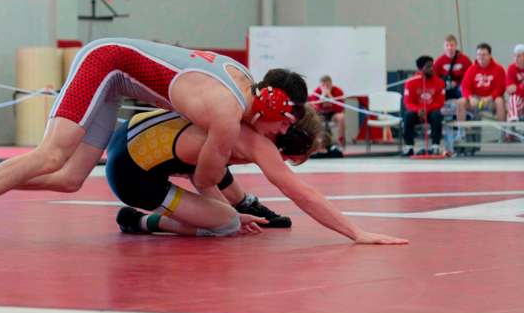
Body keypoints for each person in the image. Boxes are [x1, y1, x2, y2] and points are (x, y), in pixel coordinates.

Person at [0, 40, 306, 248]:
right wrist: (234, 212)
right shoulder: (229, 107)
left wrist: (234, 211)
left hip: (115, 78)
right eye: (281, 125)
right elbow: (206, 179)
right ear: (273, 106)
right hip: (106, 64)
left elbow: (210, 174)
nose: (276, 134)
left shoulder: (239, 84)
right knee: (53, 154)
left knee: (70, 178)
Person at [103, 103, 405, 244]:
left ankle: (243, 204)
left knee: (222, 197)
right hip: (132, 176)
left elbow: (203, 173)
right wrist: (356, 232)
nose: (280, 162)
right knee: (225, 224)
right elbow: (301, 193)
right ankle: (141, 221)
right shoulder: (254, 144)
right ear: (281, 143)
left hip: (129, 134)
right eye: (286, 159)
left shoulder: (235, 115)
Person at [402, 56, 445, 156]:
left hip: (431, 111)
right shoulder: (410, 82)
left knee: (437, 115)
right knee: (408, 115)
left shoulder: (440, 82)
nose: (432, 69)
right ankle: (409, 147)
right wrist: (418, 110)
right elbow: (407, 102)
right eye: (428, 67)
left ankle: (435, 146)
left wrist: (425, 109)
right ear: (421, 69)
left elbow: (440, 102)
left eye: (432, 66)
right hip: (417, 112)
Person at [458, 43, 506, 124]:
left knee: (500, 101)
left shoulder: (498, 69)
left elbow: (501, 88)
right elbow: (465, 86)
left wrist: (489, 98)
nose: (481, 57)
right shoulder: (471, 69)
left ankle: (504, 132)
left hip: (491, 100)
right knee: (461, 101)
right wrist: (470, 97)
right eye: (479, 54)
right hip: (475, 99)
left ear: (490, 55)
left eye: (484, 54)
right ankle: (462, 132)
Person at [308, 75, 346, 154]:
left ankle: (340, 142)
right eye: (323, 85)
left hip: (333, 114)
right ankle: (318, 145)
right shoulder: (317, 92)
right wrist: (322, 97)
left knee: (341, 117)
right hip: (320, 114)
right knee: (314, 119)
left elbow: (340, 108)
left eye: (328, 85)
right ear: (320, 85)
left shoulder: (338, 91)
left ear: (331, 84)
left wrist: (330, 96)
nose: (325, 88)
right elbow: (314, 108)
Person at [433, 34, 472, 100]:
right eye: (447, 45)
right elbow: (435, 77)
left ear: (456, 46)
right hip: (445, 87)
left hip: (460, 86)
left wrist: (458, 83)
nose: (449, 48)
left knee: (464, 91)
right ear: (444, 47)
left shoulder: (464, 59)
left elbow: (470, 75)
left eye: (452, 45)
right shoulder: (439, 61)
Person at [506, 44, 524, 125]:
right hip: (519, 100)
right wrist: (520, 89)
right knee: (513, 99)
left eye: (519, 56)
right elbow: (510, 90)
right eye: (515, 56)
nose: (516, 58)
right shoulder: (511, 68)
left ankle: (511, 128)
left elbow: (514, 89)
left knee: (512, 102)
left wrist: (517, 88)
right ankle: (513, 120)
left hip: (520, 97)